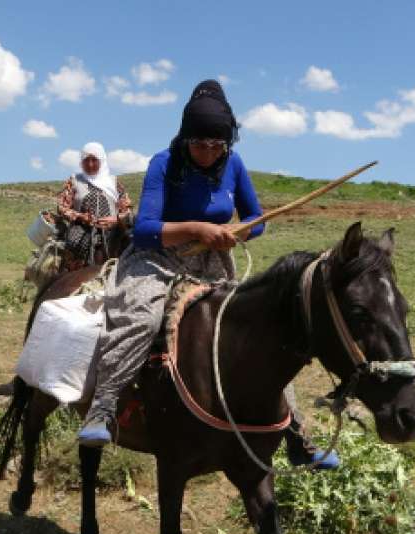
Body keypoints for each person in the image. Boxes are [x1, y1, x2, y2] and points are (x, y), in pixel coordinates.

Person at [77, 80, 339, 470]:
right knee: (141, 318)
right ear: (185, 139)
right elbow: (145, 228)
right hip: (156, 259)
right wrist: (197, 230)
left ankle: (295, 433)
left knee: (257, 332)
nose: (208, 153)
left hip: (213, 265)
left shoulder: (232, 164)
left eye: (217, 146)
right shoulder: (163, 163)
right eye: (200, 144)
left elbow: (256, 218)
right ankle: (102, 408)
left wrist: (241, 231)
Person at [53, 142, 132, 271]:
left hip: (113, 230)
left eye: (94, 160)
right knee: (72, 244)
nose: (90, 164)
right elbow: (62, 207)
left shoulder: (114, 182)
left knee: (129, 250)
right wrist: (80, 216)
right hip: (82, 229)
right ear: (81, 162)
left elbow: (127, 209)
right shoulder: (74, 181)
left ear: (102, 160)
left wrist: (116, 219)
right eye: (86, 160)